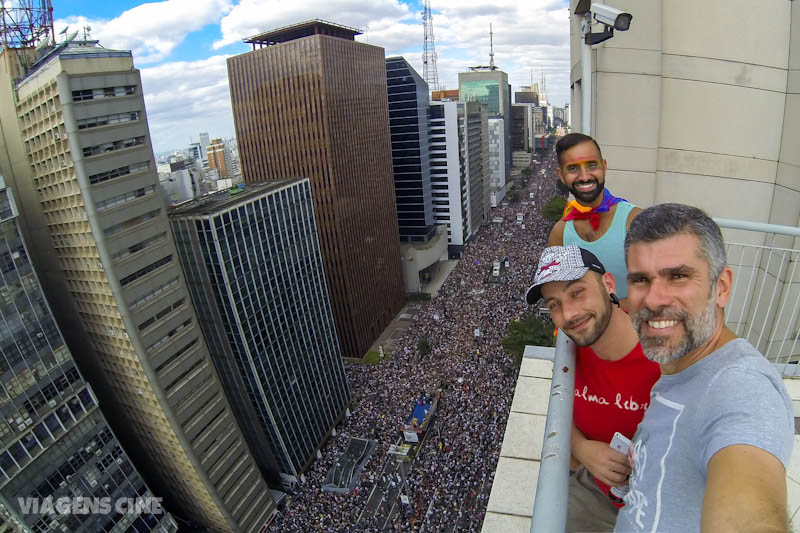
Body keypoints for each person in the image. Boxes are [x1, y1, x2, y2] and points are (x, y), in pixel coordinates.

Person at [616, 203, 794, 533]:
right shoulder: (678, 368)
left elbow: (748, 512)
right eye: (641, 280)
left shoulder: (742, 386)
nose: (654, 300)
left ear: (721, 287)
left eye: (678, 276)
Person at [525, 245, 660, 532]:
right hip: (599, 495)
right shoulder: (572, 354)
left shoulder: (662, 357)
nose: (569, 314)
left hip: (660, 503)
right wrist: (582, 448)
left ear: (608, 284)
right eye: (554, 304)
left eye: (577, 292)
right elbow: (560, 413)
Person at [547, 133, 640, 310]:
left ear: (604, 166)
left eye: (591, 165)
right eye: (573, 169)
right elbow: (558, 295)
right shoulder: (560, 233)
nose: (584, 177)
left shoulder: (634, 221)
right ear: (561, 175)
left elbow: (656, 290)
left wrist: (607, 312)